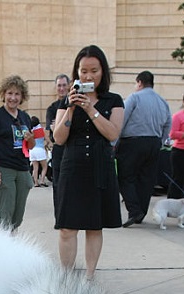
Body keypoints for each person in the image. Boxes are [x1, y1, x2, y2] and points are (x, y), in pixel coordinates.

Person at [52, 44, 124, 280]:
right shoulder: (66, 101)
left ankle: (89, 277)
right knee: (67, 227)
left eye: (94, 70)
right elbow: (58, 138)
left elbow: (112, 133)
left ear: (103, 71)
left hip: (99, 167)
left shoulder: (113, 100)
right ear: (76, 72)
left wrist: (91, 108)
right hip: (72, 167)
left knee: (94, 225)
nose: (88, 76)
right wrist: (71, 109)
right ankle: (67, 277)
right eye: (83, 71)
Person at [116, 70, 171, 227]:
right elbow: (168, 124)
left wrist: (114, 141)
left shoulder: (134, 97)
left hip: (132, 142)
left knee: (125, 177)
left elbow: (122, 119)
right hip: (154, 142)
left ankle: (134, 210)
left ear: (139, 82)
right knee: (146, 179)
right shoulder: (162, 102)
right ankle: (141, 212)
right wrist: (160, 141)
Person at [0, 75, 34, 231]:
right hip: (3, 168)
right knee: (5, 216)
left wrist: (30, 139)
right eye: (10, 93)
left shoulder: (25, 117)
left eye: (17, 94)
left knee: (17, 217)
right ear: (3, 94)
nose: (13, 97)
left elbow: (30, 146)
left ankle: (12, 240)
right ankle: (4, 244)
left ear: (22, 96)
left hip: (22, 168)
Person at [45, 73, 70, 200]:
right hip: (59, 149)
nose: (61, 88)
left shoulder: (75, 103)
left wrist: (59, 125)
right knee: (58, 185)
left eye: (64, 85)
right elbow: (52, 129)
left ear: (69, 86)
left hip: (72, 148)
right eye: (59, 85)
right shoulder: (52, 108)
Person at [28, 116, 48, 187]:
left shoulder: (30, 131)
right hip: (40, 149)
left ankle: (36, 183)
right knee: (44, 166)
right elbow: (47, 140)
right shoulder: (42, 130)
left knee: (35, 168)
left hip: (32, 150)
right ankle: (42, 181)